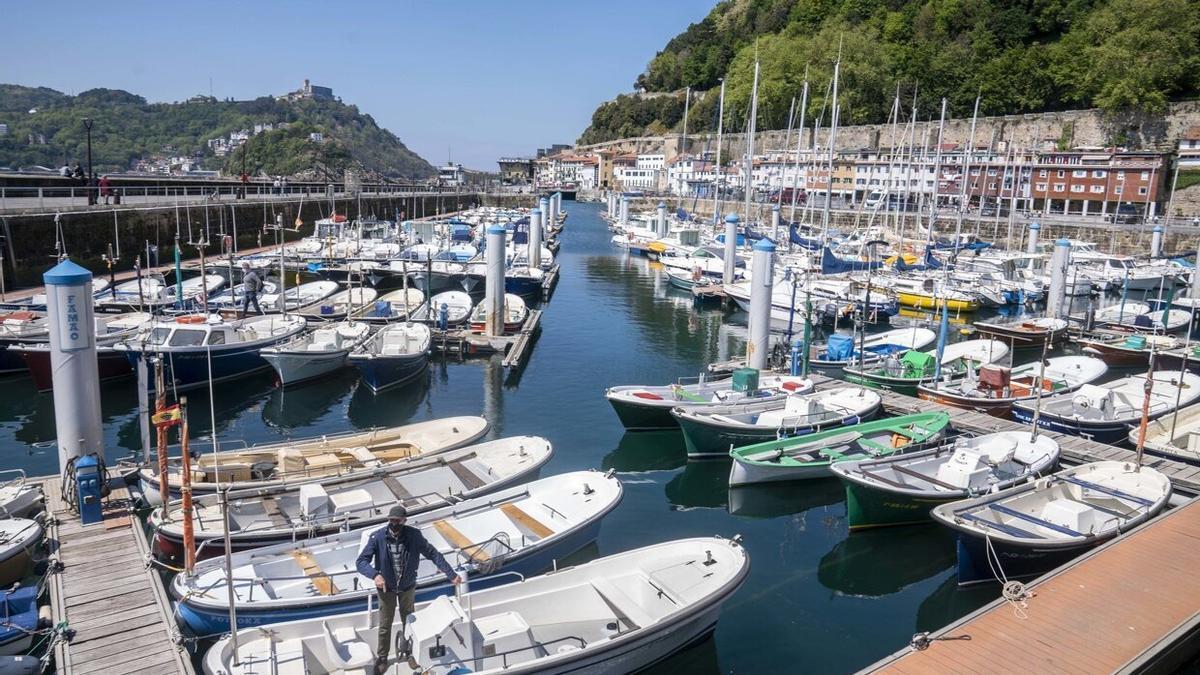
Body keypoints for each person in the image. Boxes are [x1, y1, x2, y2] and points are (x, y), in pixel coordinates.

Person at [356, 505, 460, 673]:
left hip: (407, 587)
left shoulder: (414, 536)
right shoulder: (378, 537)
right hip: (386, 588)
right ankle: (382, 657)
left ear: (404, 521)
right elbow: (361, 562)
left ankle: (411, 653)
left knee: (409, 622)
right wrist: (375, 575)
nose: (393, 524)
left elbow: (433, 554)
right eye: (391, 521)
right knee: (385, 624)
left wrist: (451, 573)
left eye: (397, 521)